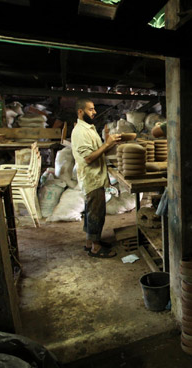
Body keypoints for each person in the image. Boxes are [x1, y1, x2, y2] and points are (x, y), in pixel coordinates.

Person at [71, 98, 121, 258]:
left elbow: (98, 151)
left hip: (95, 176)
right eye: (90, 109)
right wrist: (107, 145)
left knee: (91, 212)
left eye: (93, 109)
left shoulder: (89, 128)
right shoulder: (80, 132)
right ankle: (96, 247)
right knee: (96, 213)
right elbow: (88, 158)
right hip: (91, 177)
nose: (94, 112)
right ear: (80, 112)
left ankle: (89, 242)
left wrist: (109, 143)